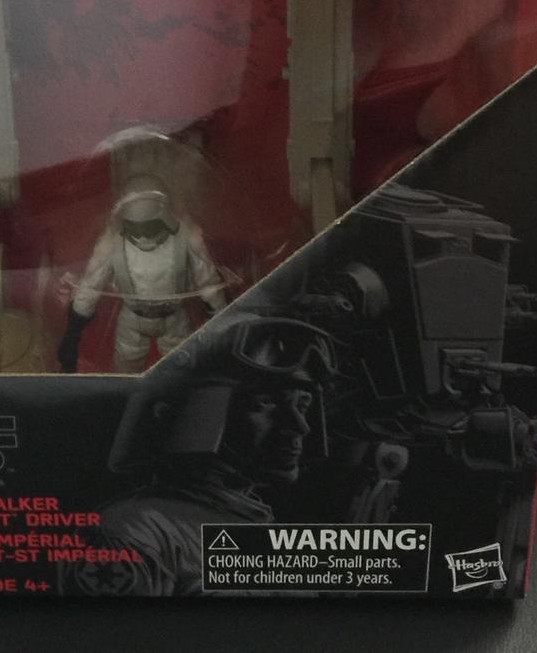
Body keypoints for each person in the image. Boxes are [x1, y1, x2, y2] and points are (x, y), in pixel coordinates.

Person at [66, 315, 335, 595]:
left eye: (302, 405)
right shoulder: (132, 532)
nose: (300, 426)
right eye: (264, 403)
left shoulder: (261, 529)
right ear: (196, 412)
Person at [58, 171, 225, 373]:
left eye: (149, 227)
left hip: (174, 319)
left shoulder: (185, 238)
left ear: (165, 218)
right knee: (126, 369)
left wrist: (221, 316)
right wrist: (74, 329)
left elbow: (207, 281)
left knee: (182, 368)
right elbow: (92, 285)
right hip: (133, 319)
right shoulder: (113, 243)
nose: (143, 236)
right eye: (135, 228)